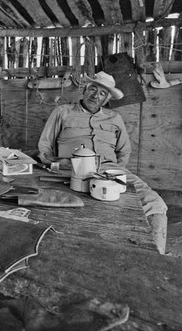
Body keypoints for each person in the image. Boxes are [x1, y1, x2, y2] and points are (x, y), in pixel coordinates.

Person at [37, 71, 168, 254]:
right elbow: (45, 146)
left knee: (155, 203)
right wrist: (56, 165)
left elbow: (124, 151)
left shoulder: (114, 118)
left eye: (102, 93)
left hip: (109, 170)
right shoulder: (62, 112)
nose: (95, 95)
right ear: (84, 89)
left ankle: (157, 259)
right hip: (71, 168)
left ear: (106, 99)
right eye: (93, 89)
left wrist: (113, 173)